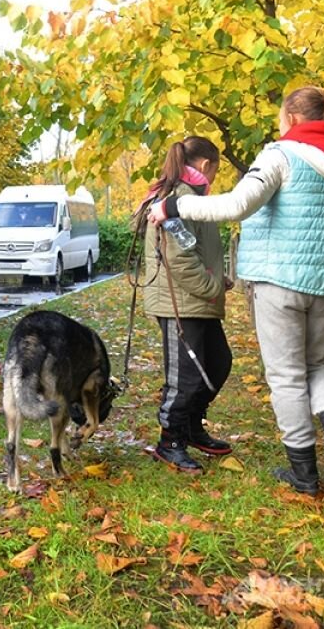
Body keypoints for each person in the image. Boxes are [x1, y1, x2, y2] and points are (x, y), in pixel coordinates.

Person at [150, 86, 324, 494]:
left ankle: (303, 473)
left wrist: (173, 207)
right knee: (318, 365)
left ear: (291, 117)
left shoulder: (281, 155)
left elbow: (236, 205)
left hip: (280, 281)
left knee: (287, 376)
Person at [137, 137, 232, 474]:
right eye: (217, 171)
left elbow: (197, 253)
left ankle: (191, 427)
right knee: (186, 378)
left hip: (198, 301)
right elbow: (178, 259)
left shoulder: (192, 198)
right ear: (206, 166)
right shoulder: (176, 199)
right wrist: (212, 289)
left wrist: (218, 282)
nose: (216, 177)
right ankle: (170, 442)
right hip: (180, 303)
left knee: (219, 364)